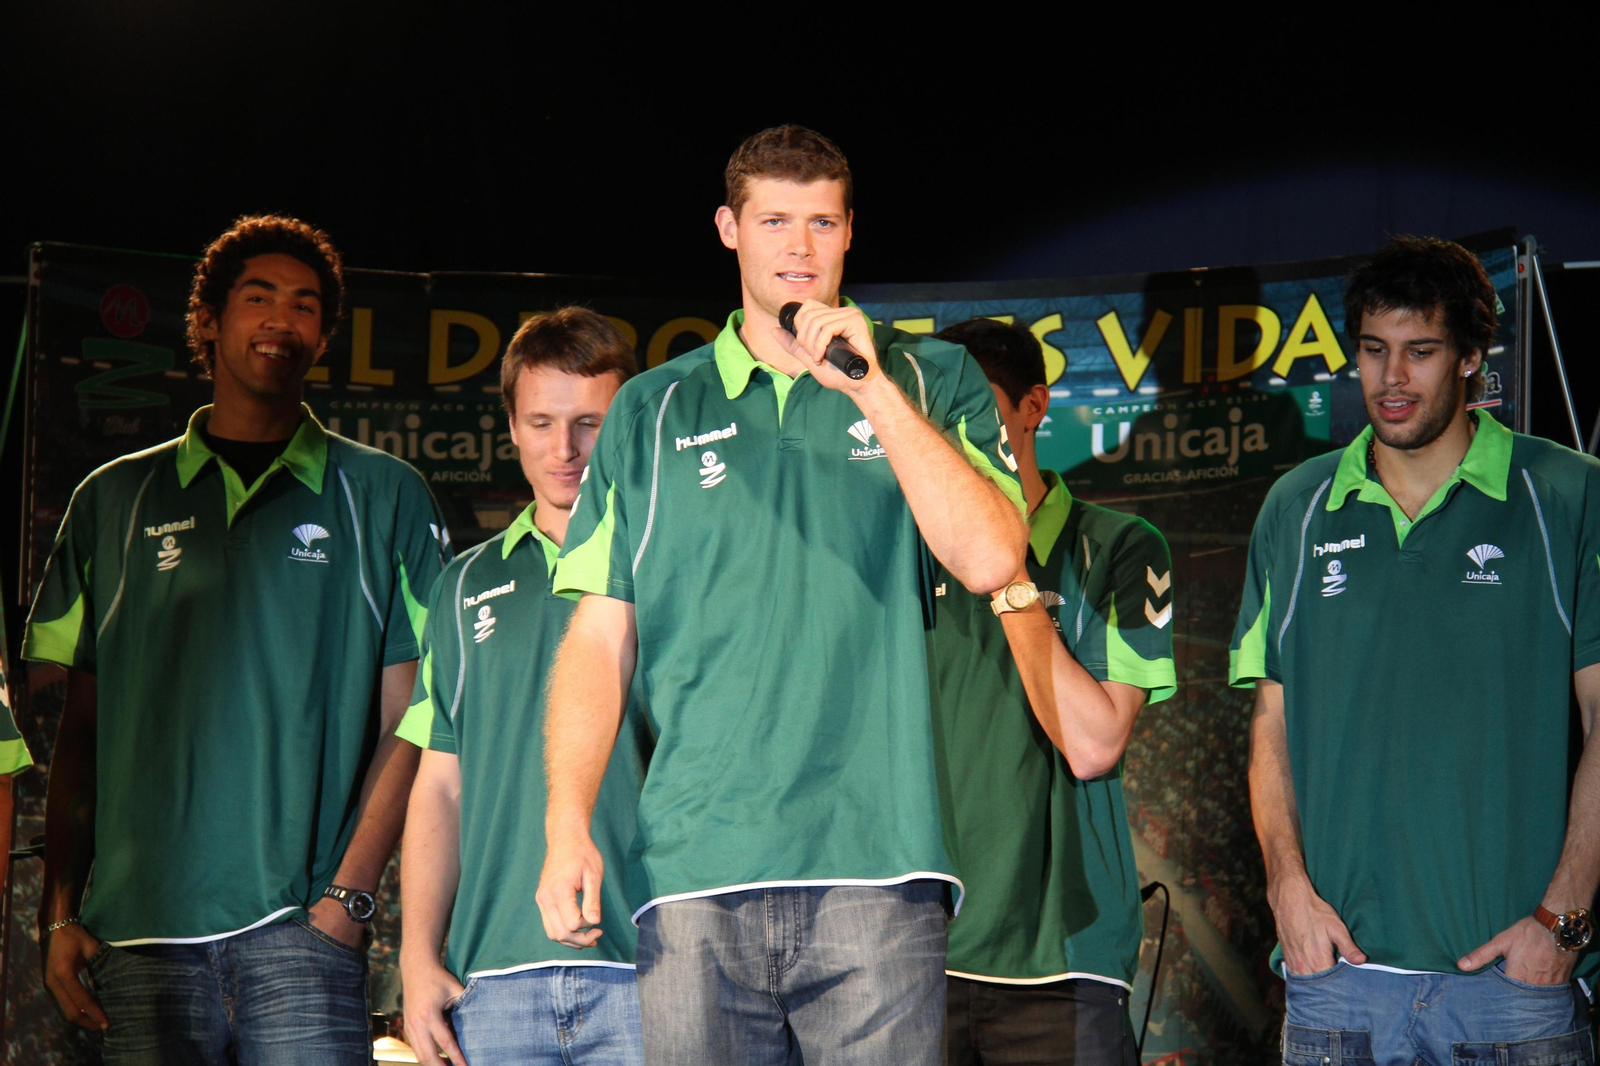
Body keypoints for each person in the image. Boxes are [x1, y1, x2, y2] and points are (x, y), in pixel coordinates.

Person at [535, 125, 1028, 1065]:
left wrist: (872, 390)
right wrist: (566, 826)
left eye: (821, 223)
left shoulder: (933, 378)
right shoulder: (651, 408)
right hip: (692, 868)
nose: (799, 248)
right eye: (773, 221)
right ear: (729, 229)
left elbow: (993, 558)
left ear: (850, 233)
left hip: (879, 864)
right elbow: (600, 637)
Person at [25, 214, 450, 1065]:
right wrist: (61, 911)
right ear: (208, 321)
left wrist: (348, 897)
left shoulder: (384, 495)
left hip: (302, 937)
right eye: (257, 298)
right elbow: (76, 726)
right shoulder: (114, 500)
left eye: (302, 306)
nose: (279, 321)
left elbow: (427, 710)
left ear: (324, 336)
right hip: (134, 938)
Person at [1231, 235, 1600, 1065]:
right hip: (1338, 986)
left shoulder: (1571, 493)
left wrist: (1565, 919)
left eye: (1421, 352)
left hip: (1517, 990)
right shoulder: (1296, 505)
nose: (1392, 379)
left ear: (1472, 357)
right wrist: (1286, 888)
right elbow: (1270, 723)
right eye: (1373, 350)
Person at [398, 307, 650, 1066]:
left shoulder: (670, 561)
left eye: (590, 424)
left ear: (629, 425)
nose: (564, 450)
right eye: (541, 421)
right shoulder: (461, 585)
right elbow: (440, 786)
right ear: (509, 425)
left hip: (650, 966)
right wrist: (416, 959)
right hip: (493, 981)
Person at [928, 318, 1176, 1066]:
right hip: (911, 956)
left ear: (1033, 408)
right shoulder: (899, 556)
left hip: (1062, 964)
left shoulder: (1122, 547)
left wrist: (1005, 574)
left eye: (976, 403)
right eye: (938, 409)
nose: (954, 427)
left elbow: (1094, 742)